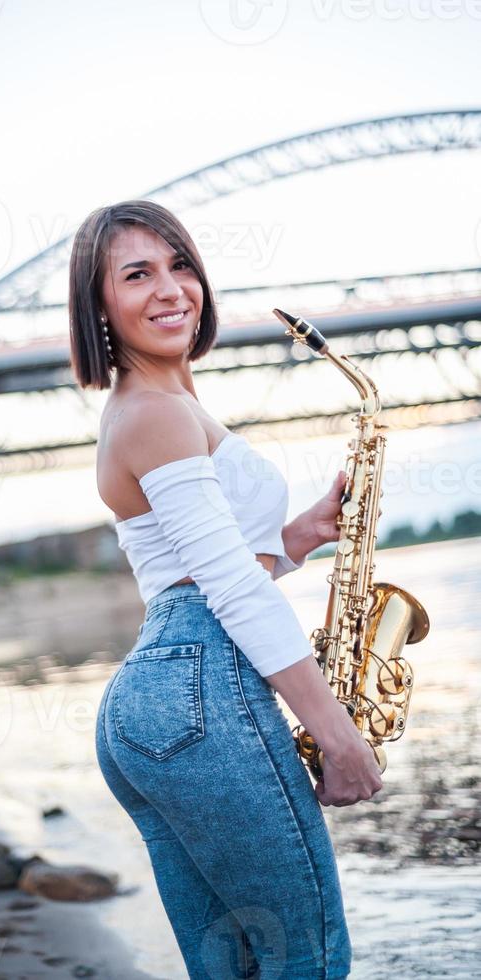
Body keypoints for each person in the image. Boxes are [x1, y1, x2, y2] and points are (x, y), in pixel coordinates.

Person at [68, 199, 382, 980]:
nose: (171, 289)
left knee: (235, 967)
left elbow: (186, 570)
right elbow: (233, 592)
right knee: (305, 960)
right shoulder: (154, 414)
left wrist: (300, 534)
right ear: (98, 304)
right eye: (137, 274)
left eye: (180, 265)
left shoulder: (152, 408)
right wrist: (336, 732)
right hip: (200, 691)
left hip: (154, 701)